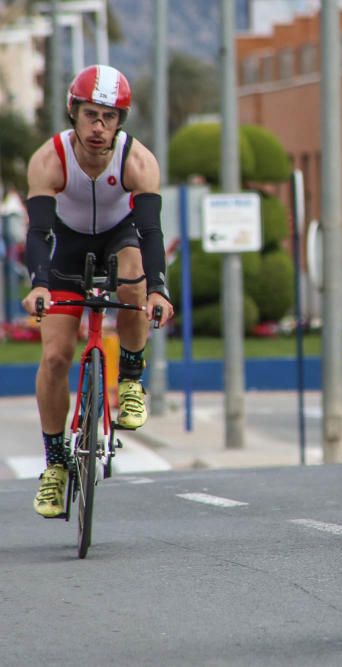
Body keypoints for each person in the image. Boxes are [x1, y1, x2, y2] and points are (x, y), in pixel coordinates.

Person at [21, 65, 174, 519]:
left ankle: (129, 377)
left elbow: (150, 232)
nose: (98, 127)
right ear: (74, 113)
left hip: (120, 237)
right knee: (54, 358)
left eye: (109, 117)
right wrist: (39, 285)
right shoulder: (48, 160)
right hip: (65, 248)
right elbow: (39, 233)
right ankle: (55, 465)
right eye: (90, 115)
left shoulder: (138, 161)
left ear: (120, 121)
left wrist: (158, 291)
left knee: (132, 273)